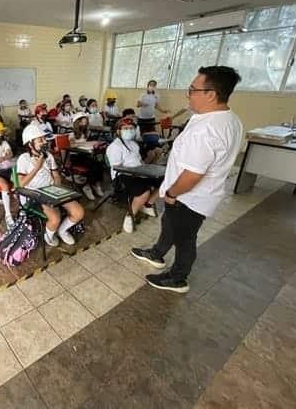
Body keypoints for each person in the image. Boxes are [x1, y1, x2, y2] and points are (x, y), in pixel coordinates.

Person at [131, 66, 243, 293]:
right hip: (194, 195)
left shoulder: (207, 130)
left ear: (211, 94)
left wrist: (172, 193)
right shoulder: (228, 119)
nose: (187, 93)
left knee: (185, 238)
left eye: (192, 89)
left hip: (188, 197)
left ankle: (178, 277)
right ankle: (157, 253)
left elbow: (193, 175)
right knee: (169, 224)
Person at [18, 124, 84, 246]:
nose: (44, 142)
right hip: (35, 194)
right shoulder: (24, 159)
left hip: (52, 190)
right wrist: (37, 167)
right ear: (30, 144)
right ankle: (48, 236)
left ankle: (62, 231)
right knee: (55, 218)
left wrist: (56, 189)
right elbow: (22, 183)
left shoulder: (49, 156)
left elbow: (56, 176)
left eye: (44, 139)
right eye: (40, 140)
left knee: (78, 212)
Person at [106, 117, 162, 233]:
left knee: (164, 181)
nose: (129, 131)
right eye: (125, 128)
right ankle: (130, 215)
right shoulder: (114, 147)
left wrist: (147, 167)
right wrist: (136, 174)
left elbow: (139, 161)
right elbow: (116, 167)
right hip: (122, 175)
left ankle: (148, 204)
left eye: (131, 128)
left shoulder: (134, 144)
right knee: (143, 191)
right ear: (118, 131)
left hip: (139, 172)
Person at [68, 112, 104, 200]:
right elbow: (72, 145)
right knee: (92, 165)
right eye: (84, 121)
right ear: (78, 122)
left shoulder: (84, 133)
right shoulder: (71, 133)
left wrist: (93, 144)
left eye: (86, 122)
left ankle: (96, 184)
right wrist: (88, 143)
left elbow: (84, 144)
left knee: (99, 164)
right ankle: (87, 186)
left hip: (85, 155)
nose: (86, 123)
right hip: (75, 157)